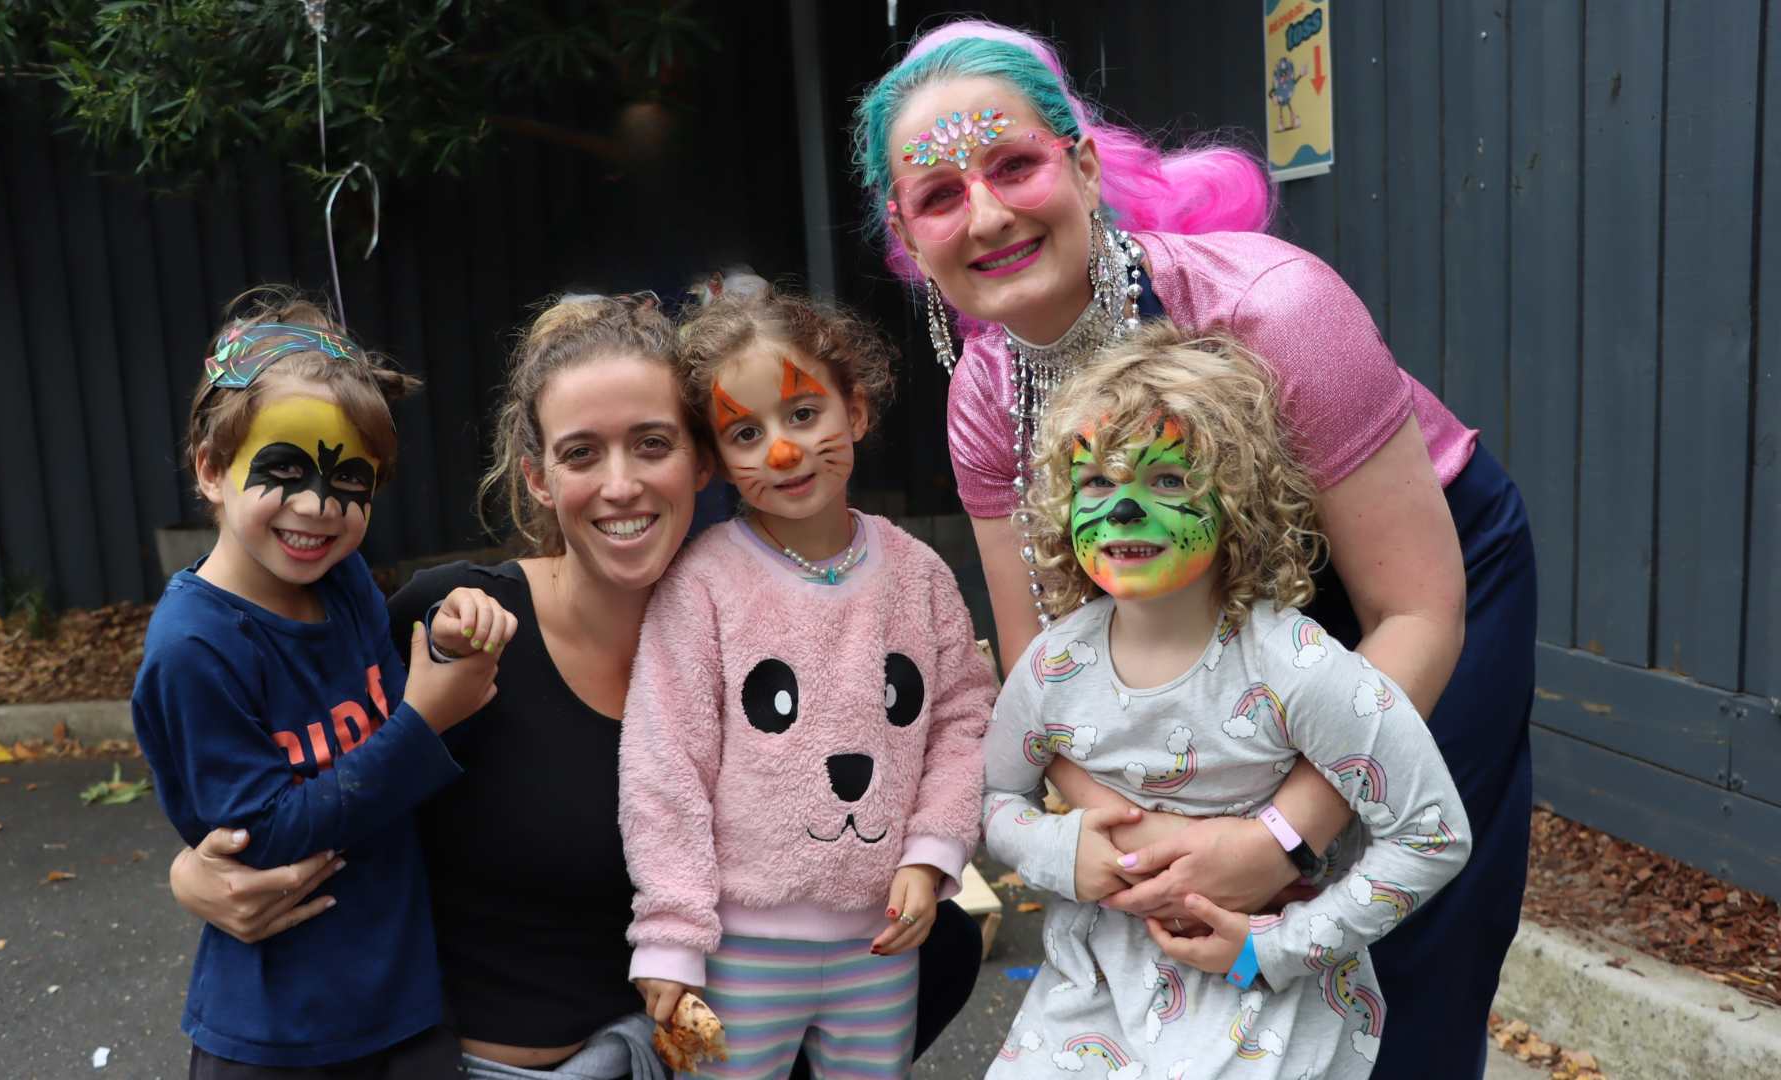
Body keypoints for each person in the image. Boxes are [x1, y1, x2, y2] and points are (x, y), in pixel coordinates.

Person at [853, 21, 1537, 1079]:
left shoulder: (1275, 311)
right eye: (940, 195)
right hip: (1179, 616)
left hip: (1405, 587)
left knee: (1404, 944)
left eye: (1014, 164)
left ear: (1079, 164)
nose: (985, 213)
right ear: (907, 233)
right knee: (1202, 977)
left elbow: (1416, 610)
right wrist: (1140, 846)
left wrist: (1277, 837)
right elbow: (1051, 679)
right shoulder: (985, 399)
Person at [165, 294, 985, 1079]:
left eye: (653, 444)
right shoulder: (454, 623)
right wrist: (196, 871)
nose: (621, 484)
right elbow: (310, 759)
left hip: (692, 1045)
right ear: (538, 477)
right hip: (484, 1064)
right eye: (582, 452)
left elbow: (941, 732)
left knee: (942, 940)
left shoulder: (793, 623)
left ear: (704, 461)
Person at [981, 323, 1471, 1078]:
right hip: (1091, 997)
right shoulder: (1052, 666)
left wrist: (1274, 950)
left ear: (1236, 500)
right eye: (1098, 483)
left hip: (1259, 1002)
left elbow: (1432, 834)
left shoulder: (1295, 665)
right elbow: (994, 796)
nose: (1121, 511)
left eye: (1167, 481)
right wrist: (1055, 848)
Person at [131, 290, 519, 1077]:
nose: (318, 507)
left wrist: (443, 648)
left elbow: (385, 724)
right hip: (279, 1036)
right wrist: (425, 717)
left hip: (404, 1008)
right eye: (285, 471)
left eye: (351, 482)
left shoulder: (341, 585)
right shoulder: (193, 647)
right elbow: (260, 838)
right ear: (212, 467)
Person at [620, 285, 993, 1079]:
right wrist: (672, 933)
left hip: (880, 934)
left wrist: (930, 854)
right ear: (716, 459)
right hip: (741, 945)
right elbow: (665, 762)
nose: (782, 452)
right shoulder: (704, 585)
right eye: (745, 432)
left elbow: (962, 719)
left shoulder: (918, 575)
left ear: (854, 411)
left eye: (802, 415)